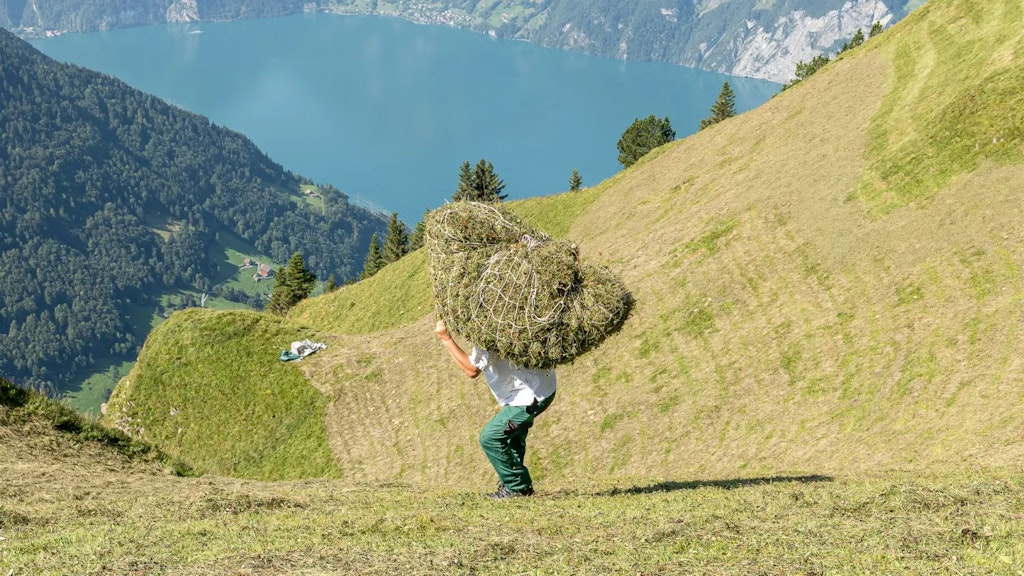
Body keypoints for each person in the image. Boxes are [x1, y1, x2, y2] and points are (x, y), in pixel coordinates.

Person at [435, 319, 557, 499]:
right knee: (513, 437)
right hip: (541, 388)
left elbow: (471, 370)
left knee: (490, 437)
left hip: (528, 398)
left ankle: (517, 488)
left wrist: (446, 338)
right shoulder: (511, 320)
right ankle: (515, 483)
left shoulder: (489, 333)